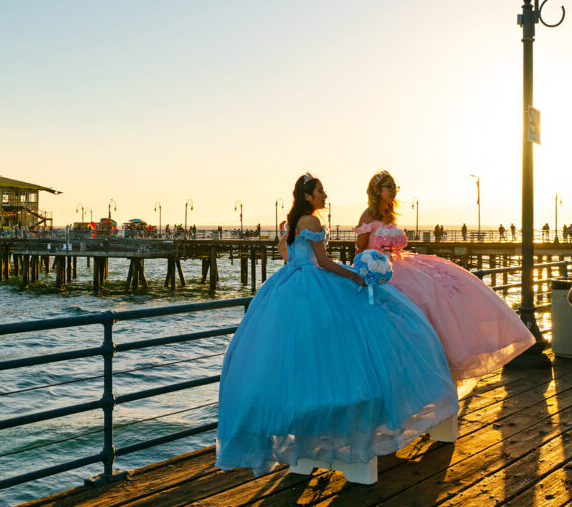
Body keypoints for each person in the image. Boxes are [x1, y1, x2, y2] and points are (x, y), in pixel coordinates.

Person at [217, 174, 457, 483]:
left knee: (298, 357)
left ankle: (305, 433)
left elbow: (283, 251)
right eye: (320, 191)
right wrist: (354, 275)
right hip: (311, 281)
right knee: (342, 347)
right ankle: (345, 426)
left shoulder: (294, 221)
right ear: (308, 196)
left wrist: (299, 262)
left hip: (289, 282)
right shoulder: (312, 221)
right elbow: (323, 262)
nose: (325, 195)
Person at [355, 170, 534, 395]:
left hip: (399, 264)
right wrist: (367, 270)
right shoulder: (368, 215)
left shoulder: (389, 215)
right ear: (376, 190)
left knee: (441, 288)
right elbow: (359, 249)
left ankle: (447, 356)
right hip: (381, 270)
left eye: (395, 187)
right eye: (388, 187)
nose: (393, 191)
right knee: (416, 303)